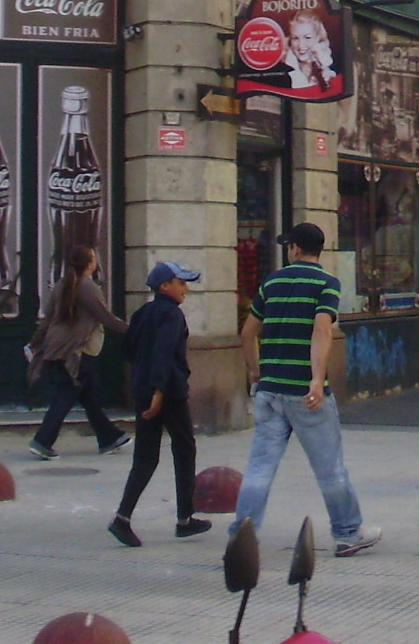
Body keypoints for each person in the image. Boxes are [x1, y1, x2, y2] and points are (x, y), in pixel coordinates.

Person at [234, 223, 380, 558]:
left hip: (270, 390)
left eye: (288, 246)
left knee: (259, 467)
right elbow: (322, 331)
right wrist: (316, 379)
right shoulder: (327, 284)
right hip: (306, 394)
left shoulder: (272, 282)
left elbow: (247, 332)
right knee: (330, 468)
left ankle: (241, 536)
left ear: (296, 248)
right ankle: (348, 533)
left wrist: (256, 371)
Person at [109, 261, 212, 546]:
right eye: (181, 283)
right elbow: (164, 353)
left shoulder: (142, 313)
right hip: (168, 392)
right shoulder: (172, 315)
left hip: (144, 390)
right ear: (165, 286)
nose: (186, 289)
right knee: (184, 448)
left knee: (145, 457)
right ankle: (185, 519)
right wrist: (159, 391)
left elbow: (128, 350)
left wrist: (147, 384)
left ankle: (122, 518)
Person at [26, 243, 133, 460]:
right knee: (66, 395)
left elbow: (47, 319)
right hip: (75, 351)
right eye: (94, 258)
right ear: (90, 264)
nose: (96, 262)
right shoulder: (87, 287)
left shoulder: (61, 284)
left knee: (88, 395)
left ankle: (109, 438)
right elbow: (106, 317)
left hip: (58, 348)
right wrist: (135, 329)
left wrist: (35, 342)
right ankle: (43, 441)